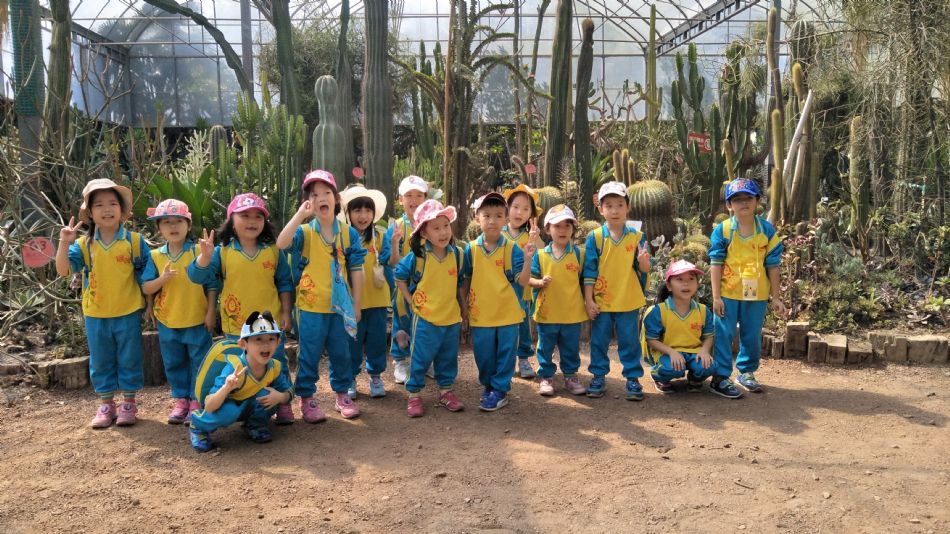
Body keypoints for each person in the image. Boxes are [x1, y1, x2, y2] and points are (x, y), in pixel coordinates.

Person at [188, 192, 296, 423]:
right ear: (231, 220)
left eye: (258, 216)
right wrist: (204, 258)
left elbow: (284, 282)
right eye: (244, 216)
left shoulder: (273, 250)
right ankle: (239, 410)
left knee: (276, 362)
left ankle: (282, 404)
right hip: (236, 327)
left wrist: (287, 311)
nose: (252, 221)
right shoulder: (222, 252)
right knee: (238, 369)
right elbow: (197, 277)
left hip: (270, 326)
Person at [55, 178, 152, 428]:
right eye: (99, 205)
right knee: (100, 360)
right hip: (95, 313)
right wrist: (64, 242)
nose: (106, 209)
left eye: (112, 203)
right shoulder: (83, 245)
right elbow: (63, 270)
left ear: (122, 209)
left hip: (129, 311)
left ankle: (129, 403)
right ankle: (106, 404)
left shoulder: (134, 242)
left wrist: (150, 305)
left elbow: (147, 277)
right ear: (90, 212)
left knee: (130, 358)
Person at [277, 170, 366, 422]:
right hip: (310, 307)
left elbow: (357, 270)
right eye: (314, 195)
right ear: (308, 202)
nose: (321, 198)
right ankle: (306, 398)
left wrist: (357, 304)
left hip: (340, 308)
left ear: (336, 198)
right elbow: (281, 243)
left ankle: (342, 395)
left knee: (341, 353)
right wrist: (299, 216)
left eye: (327, 192)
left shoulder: (348, 234)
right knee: (309, 354)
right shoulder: (304, 232)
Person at [709, 178, 786, 397]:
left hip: (757, 294)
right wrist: (716, 297)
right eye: (737, 199)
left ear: (757, 201)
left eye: (748, 198)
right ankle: (720, 377)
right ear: (729, 205)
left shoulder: (766, 231)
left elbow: (773, 265)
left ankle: (746, 372)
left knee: (751, 334)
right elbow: (716, 263)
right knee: (723, 333)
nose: (743, 203)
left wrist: (776, 297)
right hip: (728, 293)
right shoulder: (723, 231)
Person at [141, 199, 215, 424]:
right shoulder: (155, 256)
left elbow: (211, 284)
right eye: (166, 222)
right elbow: (146, 287)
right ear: (158, 227)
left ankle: (196, 400)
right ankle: (181, 399)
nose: (173, 226)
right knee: (173, 362)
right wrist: (162, 280)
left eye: (178, 221)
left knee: (200, 361)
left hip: (197, 317)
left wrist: (211, 311)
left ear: (188, 224)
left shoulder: (199, 252)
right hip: (167, 319)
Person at [462, 192, 536, 411]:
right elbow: (466, 279)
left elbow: (522, 281)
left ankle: (500, 389)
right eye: (486, 215)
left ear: (505, 219)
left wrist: (528, 259)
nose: (492, 220)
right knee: (483, 354)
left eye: (498, 215)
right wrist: (463, 307)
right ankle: (489, 385)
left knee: (506, 354)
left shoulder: (512, 249)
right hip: (481, 313)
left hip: (508, 313)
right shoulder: (471, 249)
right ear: (477, 218)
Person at [393, 199, 466, 418]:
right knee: (420, 357)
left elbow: (459, 284)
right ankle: (414, 394)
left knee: (448, 357)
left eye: (446, 226)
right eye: (436, 228)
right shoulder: (418, 257)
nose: (443, 232)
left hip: (451, 318)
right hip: (425, 318)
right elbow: (399, 276)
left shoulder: (457, 255)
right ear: (424, 233)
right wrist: (410, 300)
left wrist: (464, 309)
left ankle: (446, 391)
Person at [582, 181, 651, 400]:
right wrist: (589, 300)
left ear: (627, 207)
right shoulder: (595, 237)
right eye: (609, 205)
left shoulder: (637, 236)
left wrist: (644, 262)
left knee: (629, 341)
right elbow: (589, 271)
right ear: (601, 209)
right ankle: (598, 376)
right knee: (599, 341)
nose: (614, 210)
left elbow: (644, 268)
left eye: (620, 205)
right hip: (602, 301)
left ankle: (632, 378)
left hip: (628, 299)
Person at [189, 311, 294, 452]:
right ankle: (198, 426)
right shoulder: (234, 367)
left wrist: (280, 397)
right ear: (243, 344)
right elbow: (209, 405)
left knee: (268, 395)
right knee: (230, 411)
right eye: (258, 339)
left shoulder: (274, 367)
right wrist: (226, 388)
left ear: (278, 343)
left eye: (271, 339)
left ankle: (255, 425)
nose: (266, 345)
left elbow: (288, 392)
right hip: (227, 407)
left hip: (249, 405)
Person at [527, 204, 589, 396]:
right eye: (557, 226)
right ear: (547, 229)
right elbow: (529, 278)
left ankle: (570, 377)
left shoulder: (579, 254)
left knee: (571, 348)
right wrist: (539, 282)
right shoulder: (540, 255)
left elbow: (586, 281)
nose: (562, 230)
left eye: (567, 226)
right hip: (547, 313)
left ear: (572, 229)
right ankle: (546, 377)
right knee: (545, 347)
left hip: (572, 313)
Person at [339, 185, 391, 399]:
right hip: (352, 301)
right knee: (352, 341)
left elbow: (390, 261)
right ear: (348, 213)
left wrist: (394, 243)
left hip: (378, 299)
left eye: (368, 210)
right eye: (357, 210)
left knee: (377, 340)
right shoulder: (342, 237)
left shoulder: (380, 236)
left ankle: (375, 376)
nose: (363, 216)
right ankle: (350, 377)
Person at [643, 260, 716, 394]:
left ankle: (694, 378)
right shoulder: (659, 311)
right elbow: (651, 340)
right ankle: (659, 377)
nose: (686, 283)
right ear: (669, 286)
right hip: (667, 353)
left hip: (694, 352)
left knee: (709, 366)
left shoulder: (703, 310)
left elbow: (709, 336)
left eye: (691, 279)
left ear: (697, 284)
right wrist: (671, 352)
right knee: (672, 369)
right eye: (679, 279)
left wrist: (705, 351)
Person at [385, 175, 429, 384]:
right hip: (403, 288)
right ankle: (400, 361)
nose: (414, 200)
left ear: (425, 198)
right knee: (402, 322)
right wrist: (395, 243)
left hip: (427, 287)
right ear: (400, 199)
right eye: (409, 195)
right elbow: (392, 262)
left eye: (419, 195)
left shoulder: (431, 223)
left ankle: (425, 360)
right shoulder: (397, 226)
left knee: (427, 324)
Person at [502, 184, 545, 379]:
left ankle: (524, 358)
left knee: (523, 326)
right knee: (504, 327)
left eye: (526, 209)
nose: (519, 212)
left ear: (531, 215)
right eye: (516, 207)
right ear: (507, 208)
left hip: (522, 290)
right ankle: (507, 359)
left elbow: (543, 253)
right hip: (501, 290)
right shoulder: (499, 232)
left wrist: (536, 239)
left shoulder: (529, 236)